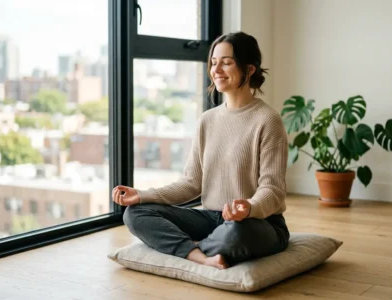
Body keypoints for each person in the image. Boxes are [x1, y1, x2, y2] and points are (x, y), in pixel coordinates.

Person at [112, 31, 290, 270]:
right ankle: (200, 255)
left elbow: (273, 190)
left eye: (226, 63)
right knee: (135, 214)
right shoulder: (207, 120)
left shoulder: (268, 120)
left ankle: (186, 247)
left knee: (236, 233)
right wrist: (143, 195)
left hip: (257, 222)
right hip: (213, 219)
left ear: (249, 70)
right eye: (213, 63)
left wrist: (248, 208)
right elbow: (191, 183)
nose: (216, 70)